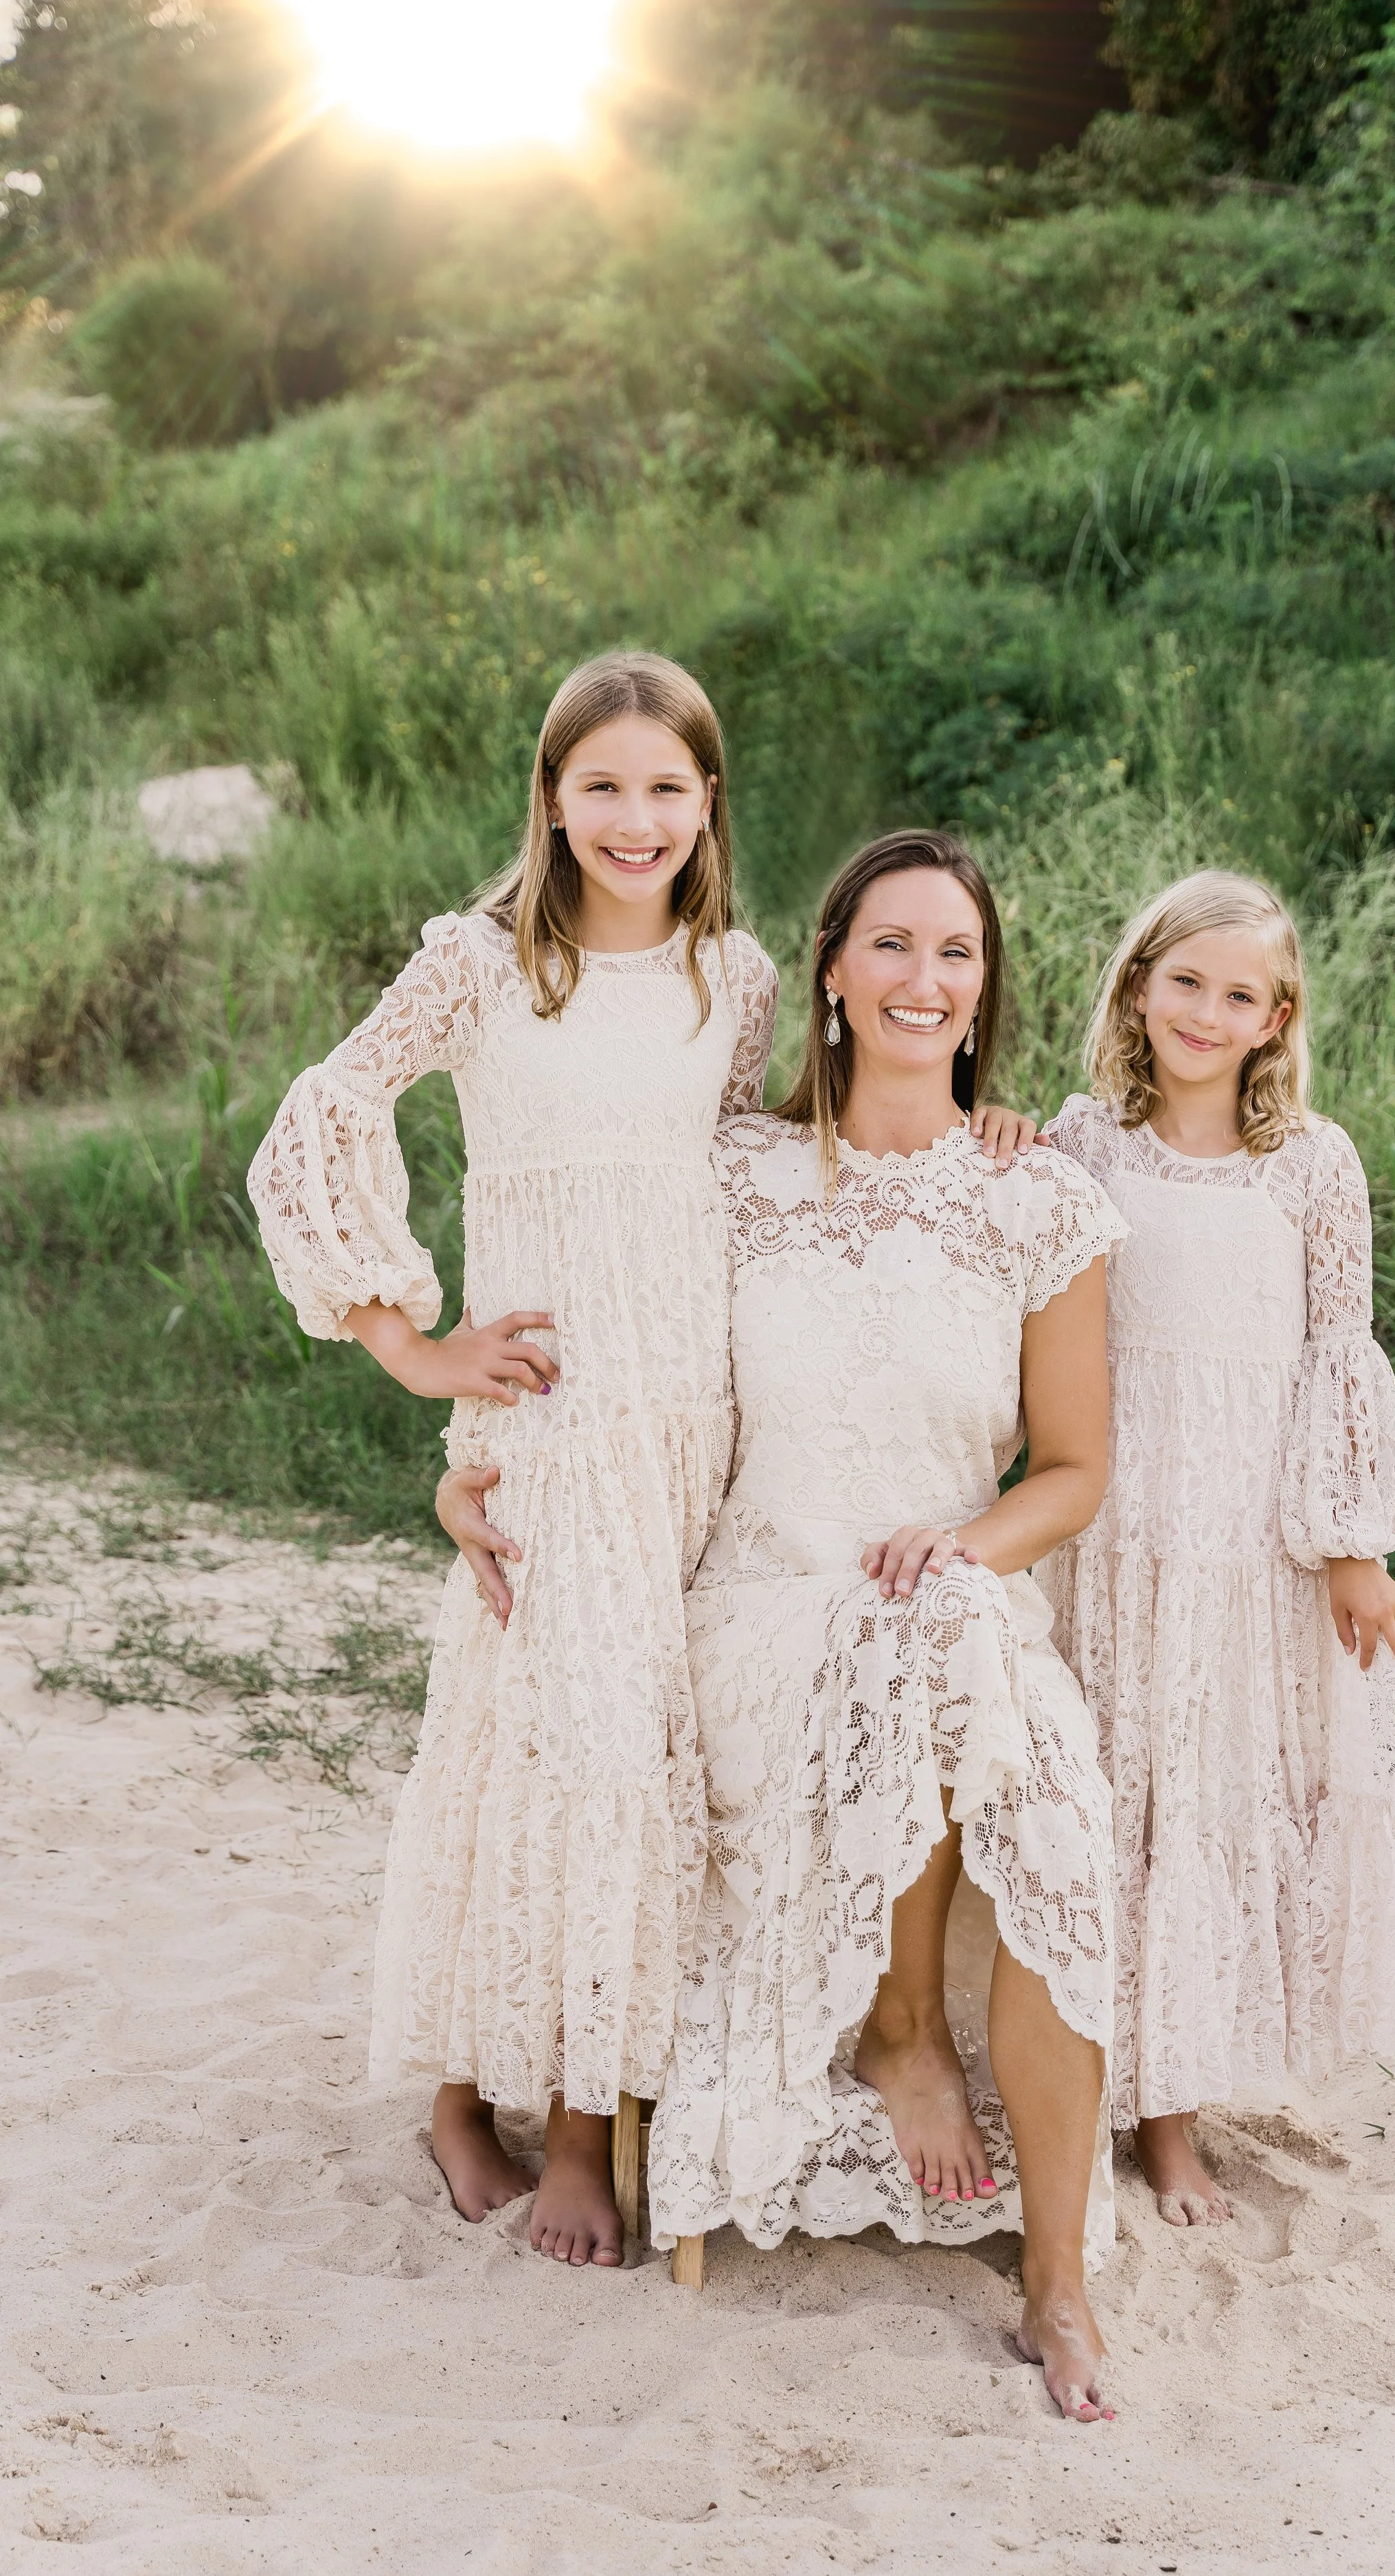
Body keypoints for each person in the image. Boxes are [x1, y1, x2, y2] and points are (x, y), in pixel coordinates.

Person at [446, 829, 1126, 2415]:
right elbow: (599, 1351)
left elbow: (1074, 1470)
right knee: (910, 1644)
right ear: (829, 971)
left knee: (1046, 1795)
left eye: (953, 953)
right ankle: (900, 2034)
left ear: (983, 991)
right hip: (759, 1607)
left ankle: (1059, 2285)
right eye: (889, 944)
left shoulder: (1039, 1200)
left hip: (957, 1591)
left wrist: (964, 1546)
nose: (920, 978)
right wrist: (468, 1462)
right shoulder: (735, 1174)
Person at [248, 651, 781, 2267]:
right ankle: (562, 2130)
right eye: (600, 784)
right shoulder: (484, 968)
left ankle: (475, 2085)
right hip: (552, 1422)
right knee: (578, 1750)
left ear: (706, 803)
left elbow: (744, 1179)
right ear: (550, 796)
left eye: (665, 788)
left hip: (693, 1419)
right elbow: (323, 1111)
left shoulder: (735, 978)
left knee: (579, 1747)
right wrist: (413, 1348)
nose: (634, 818)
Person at [1041, 869, 1395, 2227]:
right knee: (1117, 1795)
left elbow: (1337, 1354)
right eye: (1184, 983)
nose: (1206, 1014)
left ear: (1277, 1017)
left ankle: (1175, 2110)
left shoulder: (1312, 1164)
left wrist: (1351, 1547)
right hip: (1115, 1529)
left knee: (1210, 1797)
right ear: (1137, 987)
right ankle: (1098, 2093)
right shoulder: (1084, 1142)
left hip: (1244, 1542)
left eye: (1239, 995)